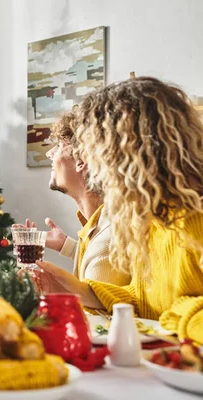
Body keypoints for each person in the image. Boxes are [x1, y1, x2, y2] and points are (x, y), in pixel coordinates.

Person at [35, 77, 203, 343]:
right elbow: (144, 299)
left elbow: (168, 311)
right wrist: (80, 290)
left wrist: (175, 315)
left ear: (129, 152)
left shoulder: (196, 220)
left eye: (95, 149)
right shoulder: (150, 219)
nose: (89, 162)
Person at [16, 111, 130, 286]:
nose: (50, 154)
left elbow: (93, 311)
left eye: (60, 145)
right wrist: (66, 246)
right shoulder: (99, 227)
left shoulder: (110, 239)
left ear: (81, 160)